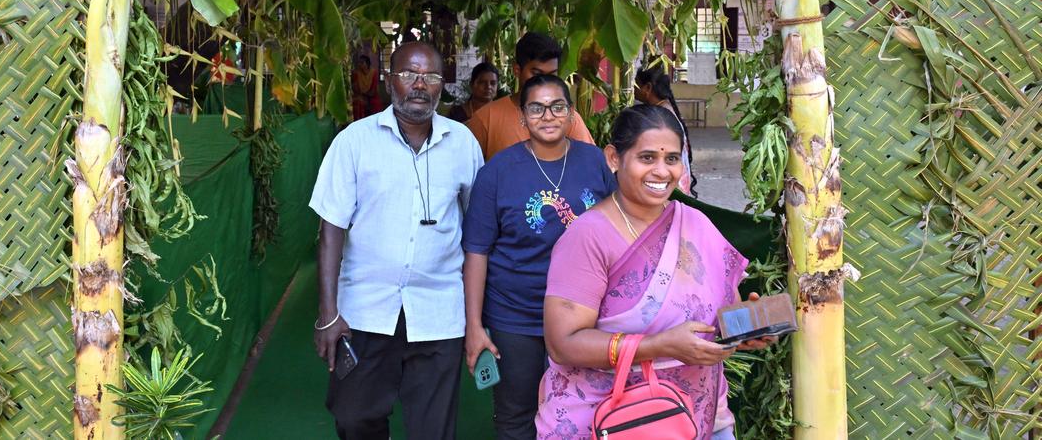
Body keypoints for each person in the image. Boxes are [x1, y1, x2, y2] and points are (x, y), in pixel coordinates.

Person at [536, 104, 777, 440]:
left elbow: (716, 318)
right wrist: (660, 346)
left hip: (696, 418)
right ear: (614, 158)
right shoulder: (587, 236)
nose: (662, 172)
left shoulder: (695, 224)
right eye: (647, 158)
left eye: (672, 159)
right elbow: (563, 343)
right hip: (608, 422)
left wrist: (745, 327)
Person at [309, 42, 484, 440]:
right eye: (409, 75)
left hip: (439, 311)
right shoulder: (354, 142)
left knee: (433, 430)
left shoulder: (463, 144)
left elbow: (476, 232)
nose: (419, 85)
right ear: (390, 81)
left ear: (443, 85)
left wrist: (476, 319)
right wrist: (328, 313)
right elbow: (330, 230)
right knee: (353, 418)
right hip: (366, 311)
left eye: (431, 76)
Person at [462, 74, 617, 440]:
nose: (547, 116)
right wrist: (473, 327)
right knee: (516, 415)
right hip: (516, 316)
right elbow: (476, 252)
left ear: (571, 114)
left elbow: (619, 228)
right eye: (536, 107)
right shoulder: (497, 172)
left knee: (585, 410)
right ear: (522, 117)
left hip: (585, 316)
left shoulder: (593, 162)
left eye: (557, 106)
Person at [467, 33, 595, 160]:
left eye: (551, 75)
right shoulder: (487, 118)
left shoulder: (569, 118)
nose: (544, 82)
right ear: (517, 70)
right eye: (537, 73)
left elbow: (591, 166)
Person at [635, 65, 696, 195]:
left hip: (670, 187)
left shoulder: (660, 116)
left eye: (636, 84)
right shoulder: (664, 108)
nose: (634, 89)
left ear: (648, 88)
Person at [351, 55, 382, 119]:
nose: (360, 65)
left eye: (362, 63)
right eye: (359, 63)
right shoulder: (356, 73)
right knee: (358, 102)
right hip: (360, 95)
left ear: (367, 64)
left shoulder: (373, 73)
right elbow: (355, 88)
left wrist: (367, 96)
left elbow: (373, 90)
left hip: (371, 95)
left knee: (376, 103)